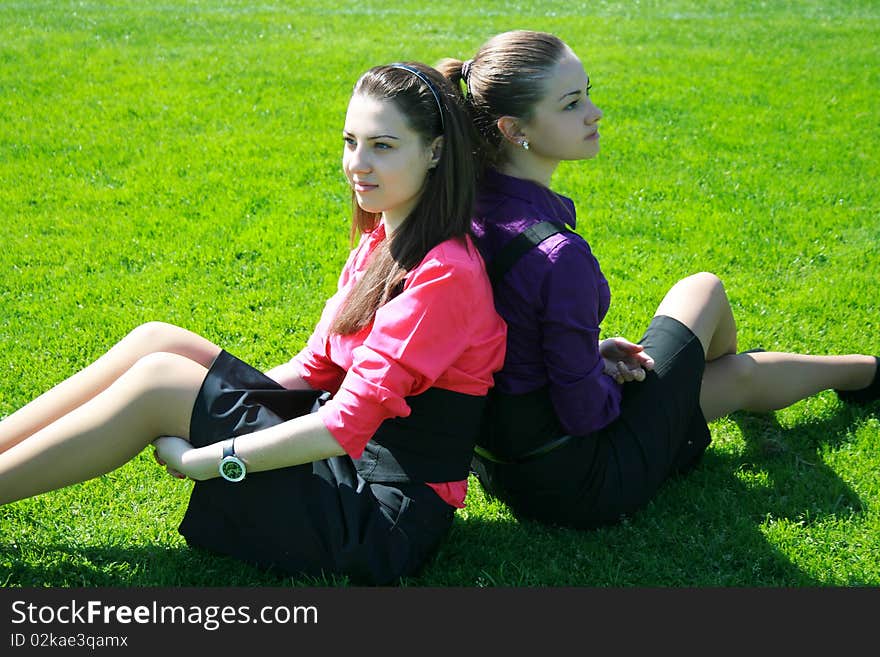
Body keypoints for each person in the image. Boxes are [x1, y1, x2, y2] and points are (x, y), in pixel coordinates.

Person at [0, 62, 506, 584]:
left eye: (383, 146)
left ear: (436, 152)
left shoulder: (445, 274)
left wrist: (210, 458)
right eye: (350, 141)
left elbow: (344, 426)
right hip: (346, 466)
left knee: (159, 387)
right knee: (158, 342)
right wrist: (212, 403)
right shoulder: (383, 240)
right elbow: (313, 370)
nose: (357, 164)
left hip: (378, 516)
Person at [437, 31, 879, 530]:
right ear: (515, 128)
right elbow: (588, 413)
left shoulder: (452, 207)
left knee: (733, 378)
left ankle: (867, 374)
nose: (594, 112)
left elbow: (505, 341)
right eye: (571, 103)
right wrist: (599, 375)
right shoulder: (556, 255)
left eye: (588, 92)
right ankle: (866, 373)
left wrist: (590, 356)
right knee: (704, 289)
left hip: (502, 465)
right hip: (582, 478)